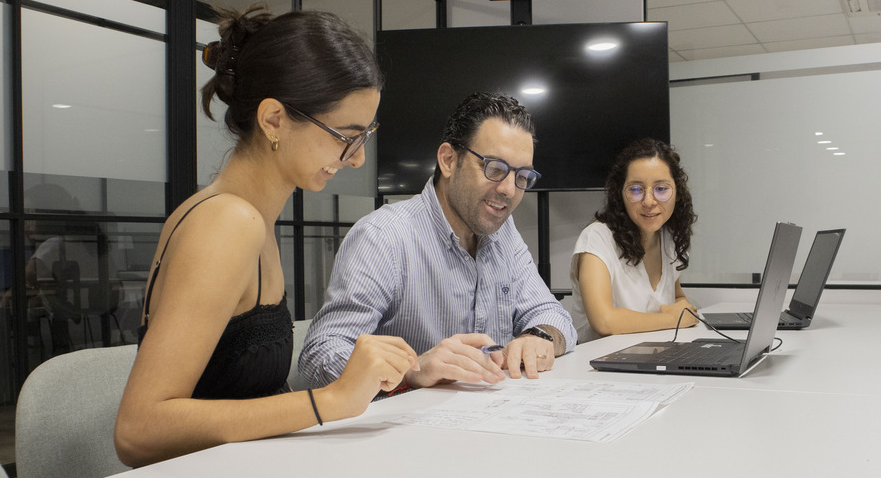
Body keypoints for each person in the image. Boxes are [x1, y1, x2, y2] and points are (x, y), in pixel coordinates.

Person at [114, 7, 417, 467]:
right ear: (273, 119)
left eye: (364, 136)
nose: (355, 159)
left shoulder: (248, 218)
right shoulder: (227, 223)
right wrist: (330, 400)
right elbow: (138, 431)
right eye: (345, 136)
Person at [298, 92, 575, 389]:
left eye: (522, 176)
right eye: (495, 169)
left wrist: (539, 336)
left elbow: (551, 314)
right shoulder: (383, 237)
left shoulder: (504, 233)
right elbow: (320, 356)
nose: (509, 190)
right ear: (448, 160)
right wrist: (411, 371)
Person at [564, 138, 698, 343]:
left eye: (661, 189)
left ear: (677, 193)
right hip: (598, 368)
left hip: (652, 360)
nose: (649, 201)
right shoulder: (597, 238)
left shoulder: (668, 239)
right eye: (636, 189)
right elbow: (604, 321)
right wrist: (672, 318)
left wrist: (681, 311)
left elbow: (677, 299)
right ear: (620, 194)